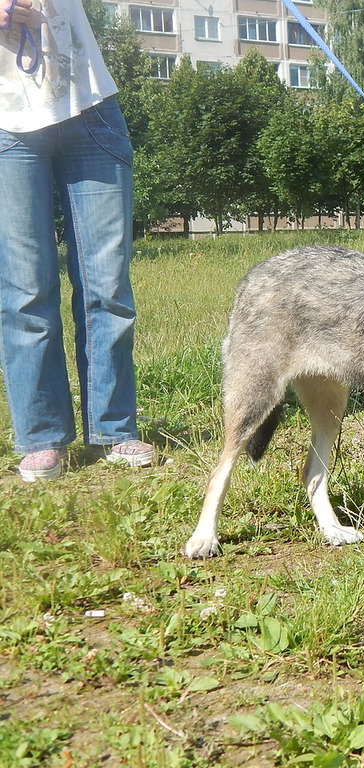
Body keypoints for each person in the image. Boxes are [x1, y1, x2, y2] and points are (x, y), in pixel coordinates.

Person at [0, 0, 153, 481]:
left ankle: (113, 427)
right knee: (26, 288)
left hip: (89, 106)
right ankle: (42, 436)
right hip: (7, 119)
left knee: (107, 285)